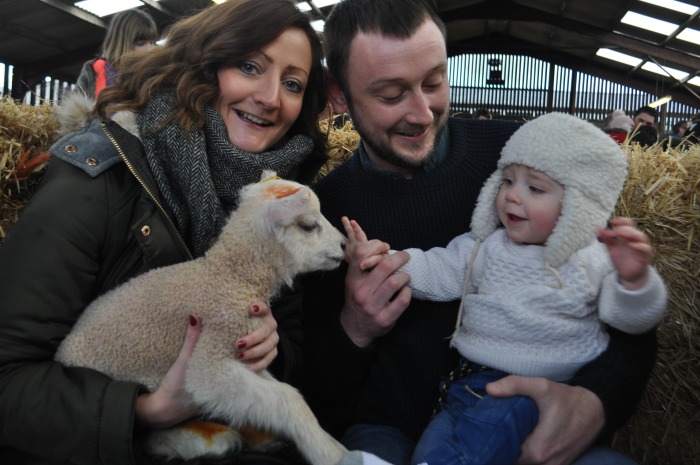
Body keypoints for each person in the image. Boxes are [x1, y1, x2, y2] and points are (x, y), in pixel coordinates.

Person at [301, 1, 659, 465]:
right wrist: (355, 326)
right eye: (390, 95)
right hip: (390, 429)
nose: (423, 113)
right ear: (341, 96)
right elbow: (311, 382)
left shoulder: (526, 157)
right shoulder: (324, 210)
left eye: (433, 82)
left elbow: (626, 310)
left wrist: (595, 401)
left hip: (532, 416)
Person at [0, 0, 332, 463]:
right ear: (204, 64)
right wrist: (143, 411)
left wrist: (268, 346)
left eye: (293, 83)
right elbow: (8, 375)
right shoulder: (99, 176)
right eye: (249, 66)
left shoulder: (280, 202)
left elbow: (294, 346)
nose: (271, 96)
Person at [342, 112, 667, 465]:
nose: (512, 196)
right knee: (431, 449)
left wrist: (633, 281)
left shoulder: (592, 259)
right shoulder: (485, 246)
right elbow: (438, 268)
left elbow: (631, 321)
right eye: (507, 181)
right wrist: (382, 258)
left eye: (535, 188)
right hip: (465, 391)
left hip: (534, 398)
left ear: (578, 204)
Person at [75, 8, 158, 98]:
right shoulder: (91, 70)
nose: (150, 49)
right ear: (120, 43)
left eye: (152, 42)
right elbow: (73, 108)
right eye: (140, 43)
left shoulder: (156, 75)